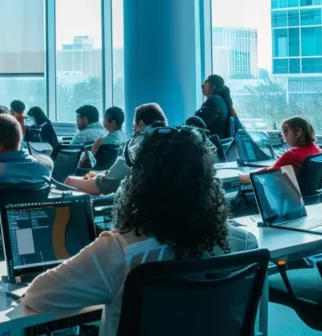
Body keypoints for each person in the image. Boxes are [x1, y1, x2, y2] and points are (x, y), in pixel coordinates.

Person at [24, 125, 258, 335]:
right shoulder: (243, 244)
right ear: (207, 179)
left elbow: (38, 296)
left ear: (138, 181)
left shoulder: (121, 252)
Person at [65, 103, 167, 196]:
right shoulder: (169, 154)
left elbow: (98, 186)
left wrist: (68, 180)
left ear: (141, 125)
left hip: (137, 213)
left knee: (69, 180)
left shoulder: (135, 155)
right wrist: (101, 174)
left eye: (133, 128)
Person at [238, 117, 322, 185]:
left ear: (298, 132)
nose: (282, 134)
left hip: (290, 197)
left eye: (285, 130)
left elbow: (269, 173)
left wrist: (247, 177)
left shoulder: (291, 155)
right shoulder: (317, 150)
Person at [196, 74, 237, 141]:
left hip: (210, 147)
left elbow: (196, 122)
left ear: (213, 86)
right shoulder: (222, 101)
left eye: (206, 82)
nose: (202, 85)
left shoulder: (214, 101)